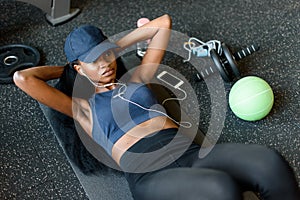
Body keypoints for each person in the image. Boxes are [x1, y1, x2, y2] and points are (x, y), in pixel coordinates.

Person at [13, 14, 299, 200]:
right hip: (149, 173)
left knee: (268, 162)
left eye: (108, 56)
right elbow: (23, 77)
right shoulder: (82, 108)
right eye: (93, 61)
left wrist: (110, 45)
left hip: (189, 152)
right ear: (79, 67)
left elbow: (163, 24)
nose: (105, 65)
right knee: (220, 189)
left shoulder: (138, 78)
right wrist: (66, 70)